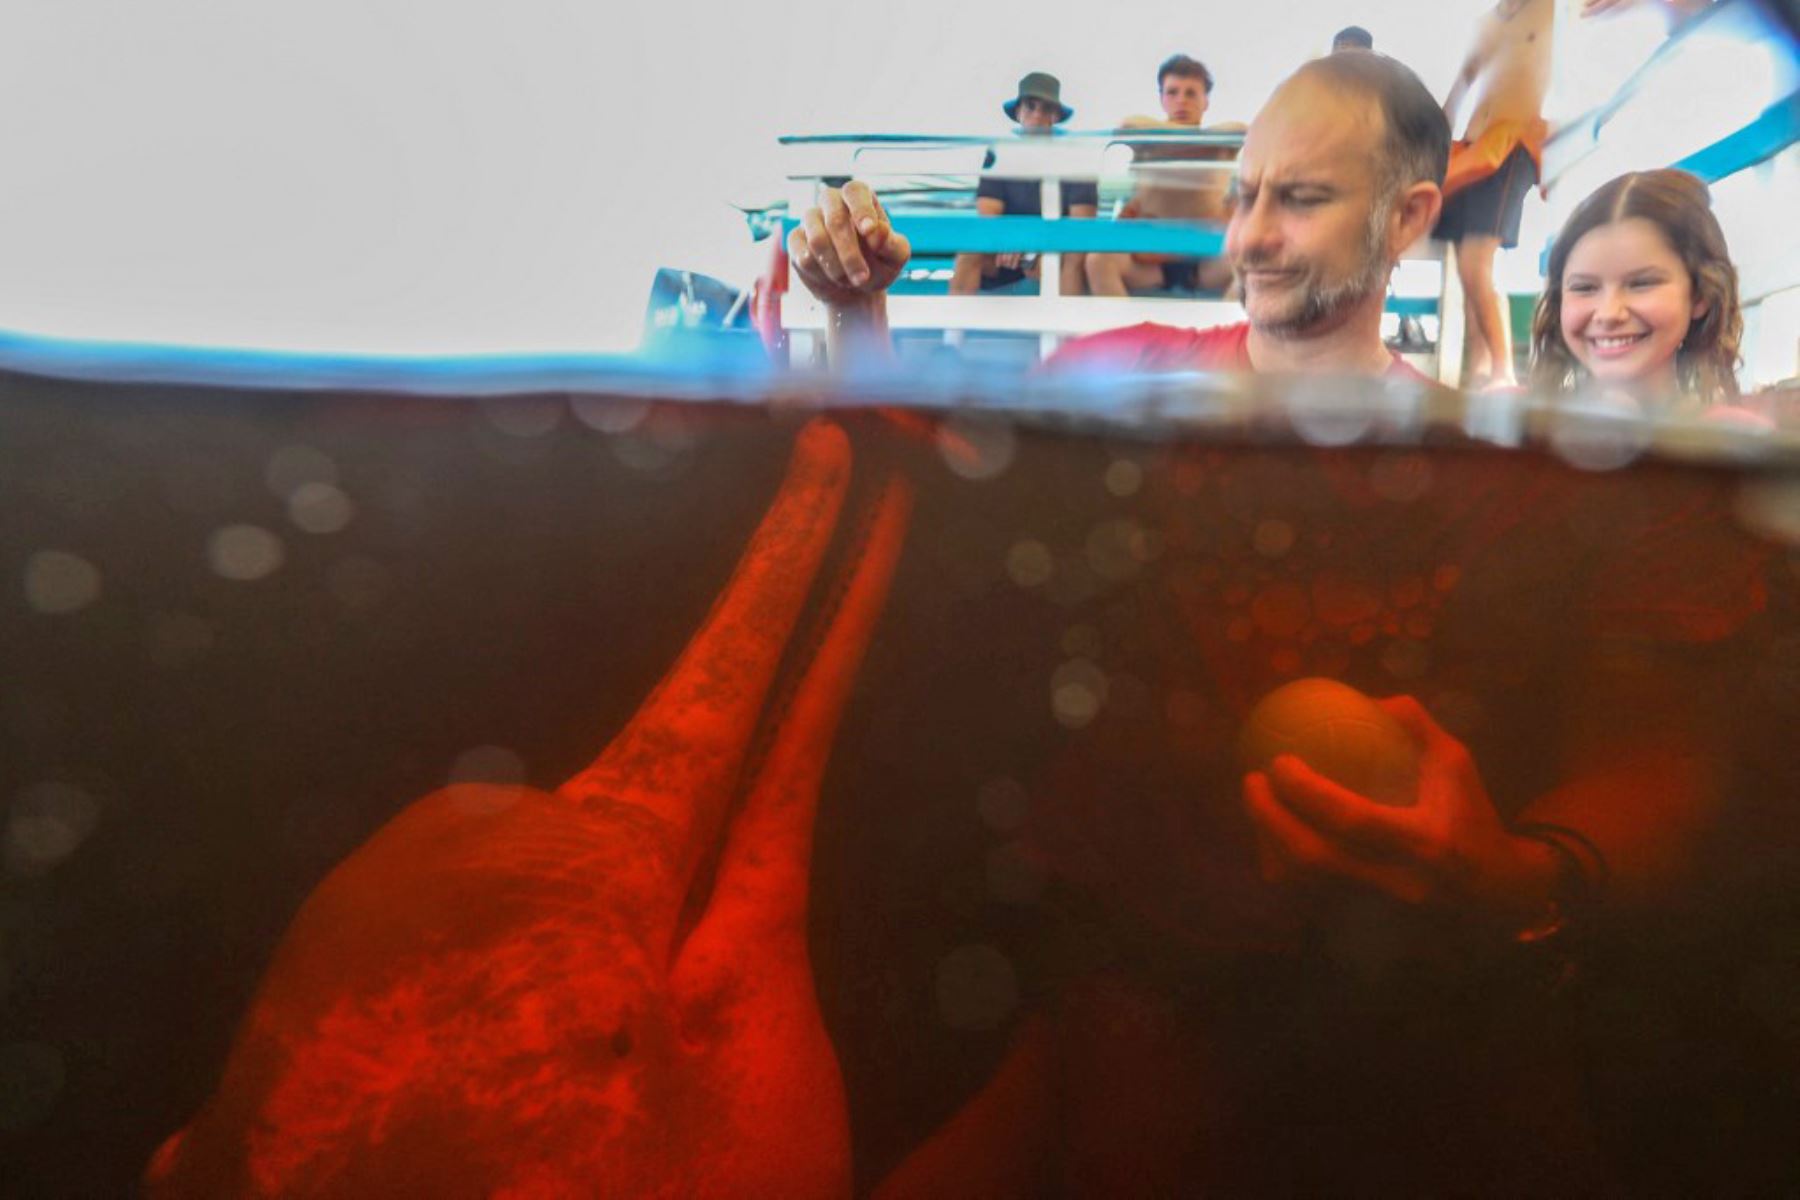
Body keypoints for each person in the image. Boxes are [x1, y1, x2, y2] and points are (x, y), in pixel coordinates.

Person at [794, 52, 1448, 381]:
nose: (1250, 236)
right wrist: (854, 306)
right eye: (1245, 196)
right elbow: (916, 499)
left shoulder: (1458, 459)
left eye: (1302, 197)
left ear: (1405, 220)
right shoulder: (1112, 367)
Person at [1529, 168, 1742, 405]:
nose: (1609, 314)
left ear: (1700, 295)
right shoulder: (1513, 427)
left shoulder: (1731, 435)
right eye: (1584, 288)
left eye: (1642, 284)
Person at [1436, 0, 1555, 388]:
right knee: (1465, 268)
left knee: (1476, 263)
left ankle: (1503, 372)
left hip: (1513, 142)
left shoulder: (1553, 9)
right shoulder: (1486, 22)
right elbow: (1462, 83)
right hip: (1473, 145)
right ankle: (1480, 370)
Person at [1084, 54, 1237, 298]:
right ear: (1162, 98)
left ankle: (1228, 337)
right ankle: (1126, 337)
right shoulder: (1145, 138)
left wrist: (1194, 138)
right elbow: (1128, 125)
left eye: (1191, 93)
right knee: (1098, 260)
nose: (1181, 101)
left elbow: (1241, 130)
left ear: (1205, 101)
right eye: (1172, 92)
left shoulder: (1223, 142)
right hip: (1151, 262)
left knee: (1254, 262)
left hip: (1206, 261)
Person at [949, 72, 1098, 298]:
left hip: (1054, 249)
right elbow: (988, 214)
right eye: (1030, 106)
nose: (1037, 115)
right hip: (1007, 252)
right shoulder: (999, 153)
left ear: (1055, 116)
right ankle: (954, 330)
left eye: (1046, 108)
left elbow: (1081, 225)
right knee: (969, 251)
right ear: (1018, 112)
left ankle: (1068, 330)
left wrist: (1038, 250)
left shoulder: (1076, 158)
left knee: (1072, 256)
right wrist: (1012, 241)